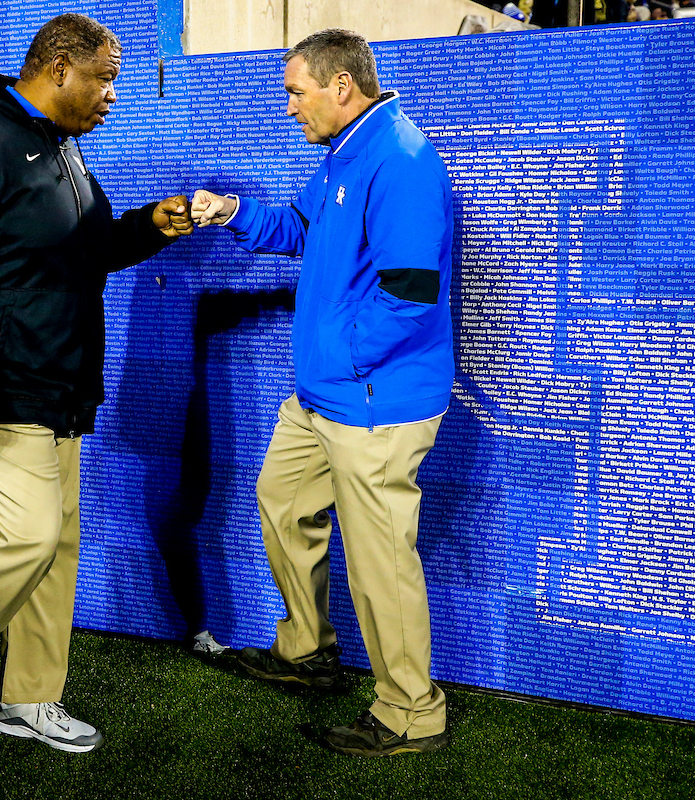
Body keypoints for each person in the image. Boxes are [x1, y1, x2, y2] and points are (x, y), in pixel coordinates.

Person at [0, 13, 192, 767]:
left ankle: (29, 697)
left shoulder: (62, 152)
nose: (112, 94)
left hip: (59, 385)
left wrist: (149, 227)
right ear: (59, 68)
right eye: (104, 77)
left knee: (56, 548)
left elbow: (86, 253)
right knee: (25, 536)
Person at [191, 28, 454, 757]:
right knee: (283, 498)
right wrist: (232, 211)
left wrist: (339, 358)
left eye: (295, 92)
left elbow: (408, 295)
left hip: (376, 401)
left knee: (380, 562)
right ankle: (307, 649)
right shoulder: (347, 152)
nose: (288, 108)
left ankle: (410, 712)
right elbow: (301, 227)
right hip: (325, 397)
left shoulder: (399, 161)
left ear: (342, 86)